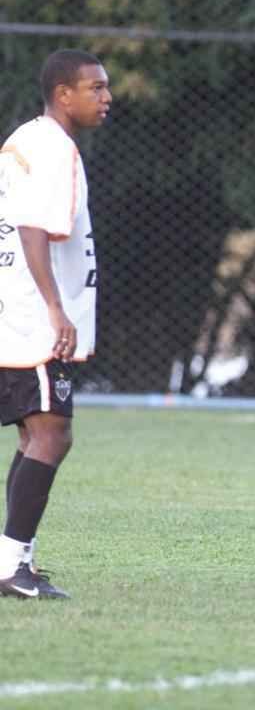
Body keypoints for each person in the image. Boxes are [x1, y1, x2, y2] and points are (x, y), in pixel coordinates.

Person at [0, 49, 110, 599]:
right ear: (63, 94)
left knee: (34, 431)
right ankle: (10, 565)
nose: (106, 98)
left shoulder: (24, 139)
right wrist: (55, 308)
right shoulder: (55, 149)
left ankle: (12, 560)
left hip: (12, 311)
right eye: (95, 88)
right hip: (31, 316)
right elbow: (33, 229)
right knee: (52, 433)